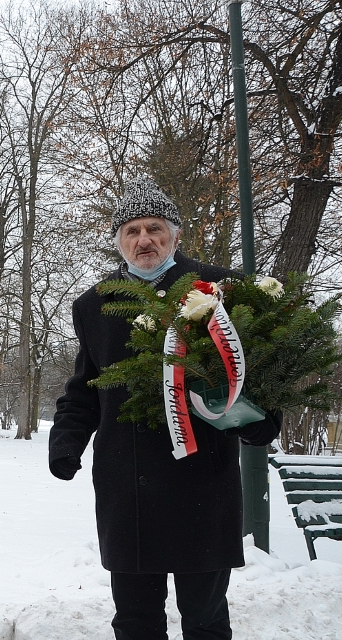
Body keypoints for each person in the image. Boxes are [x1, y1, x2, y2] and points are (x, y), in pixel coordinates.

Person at [48, 177, 281, 640]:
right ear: (118, 240)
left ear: (175, 235)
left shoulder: (220, 289)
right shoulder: (93, 305)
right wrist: (66, 441)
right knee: (135, 621)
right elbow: (85, 387)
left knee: (205, 619)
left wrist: (262, 420)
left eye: (154, 228)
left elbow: (252, 372)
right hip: (127, 486)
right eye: (131, 231)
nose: (144, 240)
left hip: (202, 480)